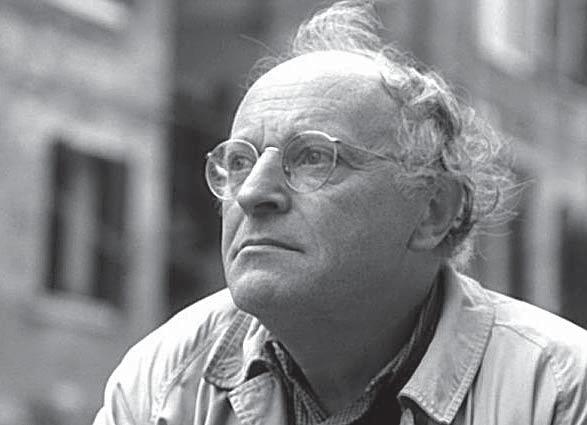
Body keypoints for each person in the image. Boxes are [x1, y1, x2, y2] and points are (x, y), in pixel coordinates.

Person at [93, 1, 587, 424]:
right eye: (239, 162)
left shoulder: (559, 393)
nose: (252, 194)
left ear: (434, 211)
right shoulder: (162, 383)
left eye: (313, 157)